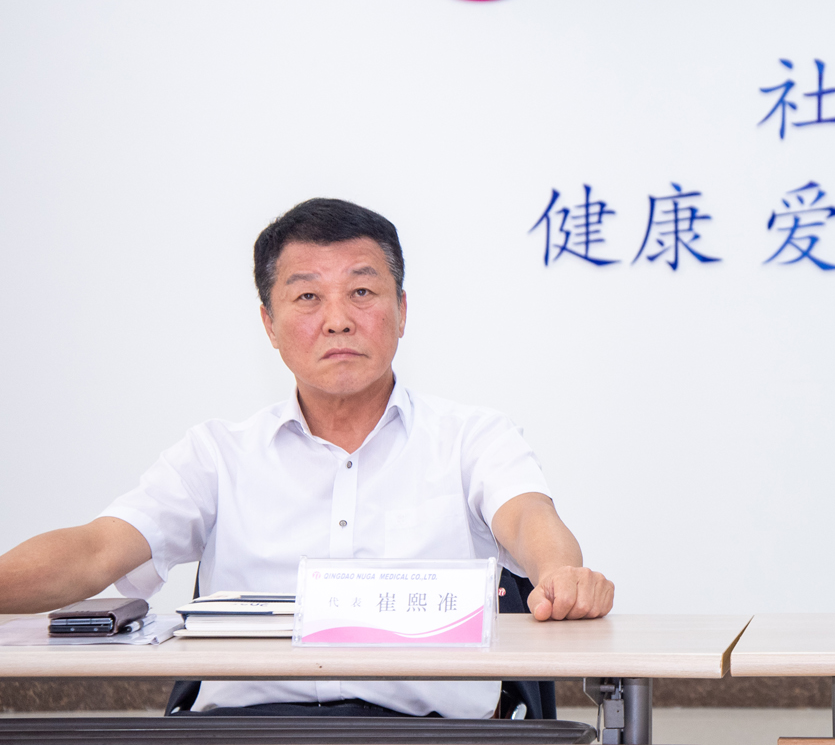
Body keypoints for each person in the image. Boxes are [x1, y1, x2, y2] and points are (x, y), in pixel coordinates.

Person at [0, 198, 613, 718]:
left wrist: (561, 574)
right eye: (308, 297)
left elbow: (528, 518)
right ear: (269, 324)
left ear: (402, 311)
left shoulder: (472, 438)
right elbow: (96, 550)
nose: (338, 321)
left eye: (362, 292)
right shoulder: (217, 454)